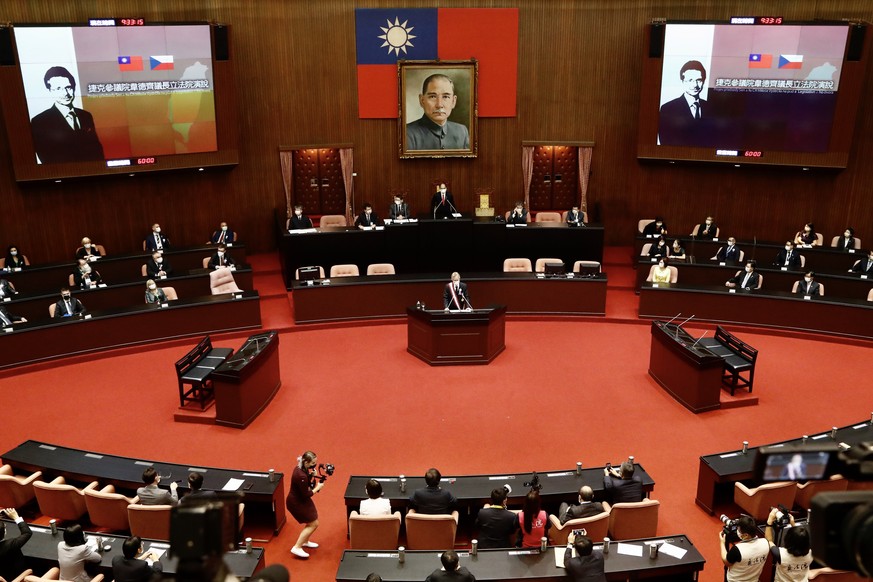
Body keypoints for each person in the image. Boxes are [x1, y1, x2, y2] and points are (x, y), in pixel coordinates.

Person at [30, 66, 104, 164]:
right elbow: (45, 156)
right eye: (58, 89)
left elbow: (96, 148)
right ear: (50, 91)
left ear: (73, 88)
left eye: (68, 88)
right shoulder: (40, 121)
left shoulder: (86, 115)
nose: (65, 93)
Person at [406, 74, 470, 151]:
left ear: (453, 101)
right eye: (432, 96)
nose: (439, 105)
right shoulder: (407, 133)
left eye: (445, 97)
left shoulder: (461, 131)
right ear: (422, 100)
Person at [658, 60, 712, 147]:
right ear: (682, 81)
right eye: (690, 80)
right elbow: (665, 143)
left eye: (699, 80)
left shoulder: (711, 107)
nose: (695, 85)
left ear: (704, 81)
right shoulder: (668, 108)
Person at [286, 450, 324, 559]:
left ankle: (305, 541)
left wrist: (311, 475)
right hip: (296, 503)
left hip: (301, 500)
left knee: (311, 520)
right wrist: (318, 487)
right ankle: (297, 547)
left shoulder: (300, 468)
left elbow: (306, 483)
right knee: (314, 523)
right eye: (312, 464)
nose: (314, 465)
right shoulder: (300, 475)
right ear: (306, 462)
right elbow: (306, 494)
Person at [764, 508, 812, 582]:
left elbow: (769, 541)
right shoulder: (811, 554)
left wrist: (769, 520)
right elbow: (800, 539)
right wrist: (793, 524)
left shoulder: (780, 554)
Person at [720, 515, 769, 582]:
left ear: (746, 535)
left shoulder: (738, 549)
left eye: (739, 530)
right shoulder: (765, 543)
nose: (737, 531)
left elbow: (727, 562)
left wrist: (722, 543)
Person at [0, 508, 32, 582]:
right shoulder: (10, 544)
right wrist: (16, 517)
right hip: (17, 575)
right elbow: (27, 533)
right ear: (5, 531)